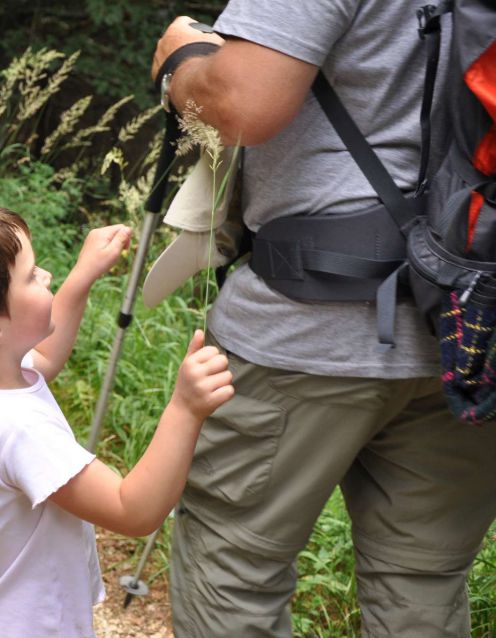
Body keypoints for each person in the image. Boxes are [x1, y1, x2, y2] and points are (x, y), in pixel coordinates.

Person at [151, 3, 496, 636]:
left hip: (303, 324)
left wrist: (181, 62)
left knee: (235, 569)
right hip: (473, 327)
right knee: (422, 581)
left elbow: (242, 104)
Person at [0, 200, 234, 638]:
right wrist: (185, 408)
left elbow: (41, 357)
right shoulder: (19, 430)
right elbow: (132, 510)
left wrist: (81, 278)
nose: (46, 276)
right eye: (31, 275)